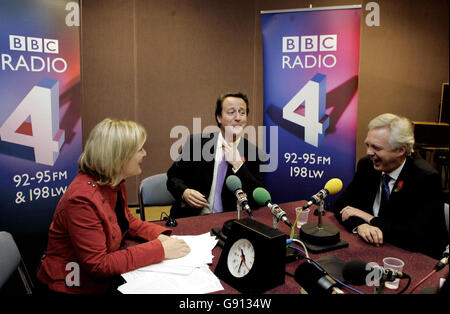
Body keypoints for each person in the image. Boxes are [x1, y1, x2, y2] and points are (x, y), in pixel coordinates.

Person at [36, 118, 190, 294]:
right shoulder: (81, 200)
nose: (145, 154)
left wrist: (159, 236)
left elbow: (127, 220)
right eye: (140, 149)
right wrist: (159, 250)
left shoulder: (114, 182)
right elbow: (98, 265)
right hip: (71, 286)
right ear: (119, 157)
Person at [334, 113, 448, 259]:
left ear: (400, 150)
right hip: (372, 249)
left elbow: (414, 235)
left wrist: (368, 218)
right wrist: (361, 226)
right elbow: (342, 205)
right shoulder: (367, 166)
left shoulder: (425, 178)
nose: (369, 152)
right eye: (367, 145)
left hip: (414, 256)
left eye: (376, 148)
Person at [167, 92, 265, 218]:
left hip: (230, 223)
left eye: (242, 112)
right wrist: (184, 192)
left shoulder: (255, 154)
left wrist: (239, 166)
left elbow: (257, 199)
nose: (238, 117)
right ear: (219, 117)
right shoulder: (196, 144)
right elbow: (173, 177)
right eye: (231, 112)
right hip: (192, 218)